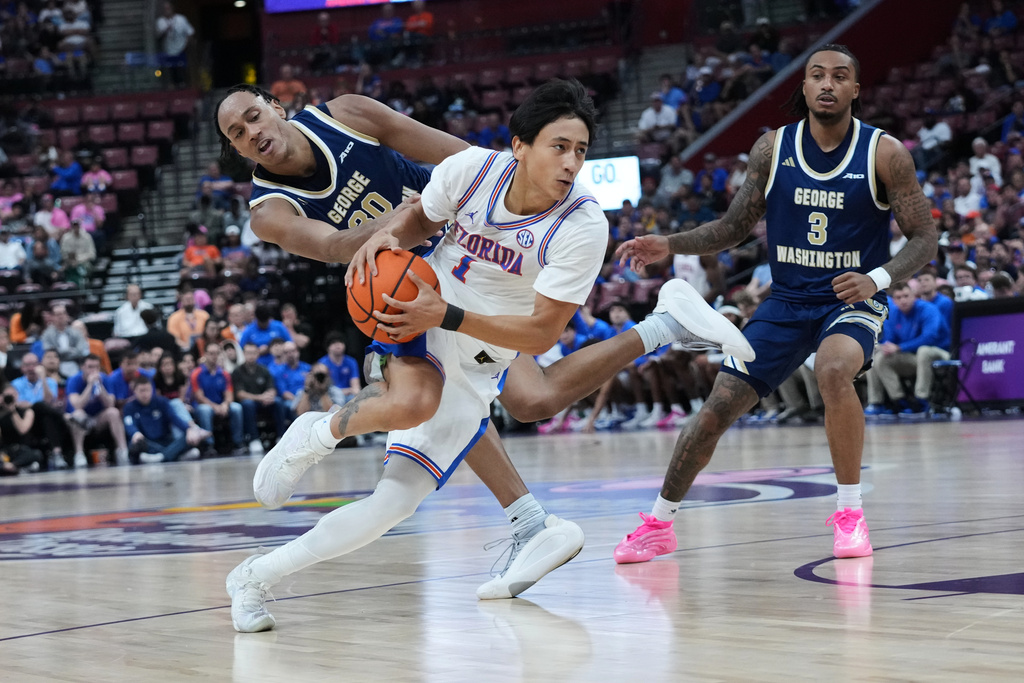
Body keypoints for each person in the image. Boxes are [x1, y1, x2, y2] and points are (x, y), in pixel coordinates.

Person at [215, 81, 751, 628]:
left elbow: (536, 323)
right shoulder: (270, 209)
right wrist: (400, 227)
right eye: (238, 131)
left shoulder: (576, 220)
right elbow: (336, 244)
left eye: (579, 150)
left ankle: (256, 575)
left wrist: (445, 200)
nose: (570, 162)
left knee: (479, 438)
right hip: (412, 281)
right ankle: (320, 432)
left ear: (276, 107)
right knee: (418, 401)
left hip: (475, 310)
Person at [613, 45, 937, 563]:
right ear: (804, 87)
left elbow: (925, 238)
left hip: (846, 301)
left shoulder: (884, 154)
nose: (827, 83)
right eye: (816, 75)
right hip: (786, 302)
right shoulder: (772, 149)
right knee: (716, 409)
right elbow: (733, 228)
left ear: (856, 89)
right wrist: (668, 243)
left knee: (834, 370)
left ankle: (850, 514)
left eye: (840, 76)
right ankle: (658, 524)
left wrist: (876, 279)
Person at [864, 282, 950, 417]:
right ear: (894, 300)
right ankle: (894, 401)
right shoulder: (892, 314)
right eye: (898, 297)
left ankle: (923, 400)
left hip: (941, 354)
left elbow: (930, 337)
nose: (903, 300)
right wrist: (884, 347)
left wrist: (899, 347)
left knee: (924, 351)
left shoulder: (928, 309)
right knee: (877, 356)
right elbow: (890, 340)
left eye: (906, 296)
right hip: (914, 357)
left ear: (914, 296)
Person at [66, 354, 129, 467]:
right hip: (83, 419)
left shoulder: (105, 379)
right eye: (90, 367)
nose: (93, 370)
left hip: (99, 419)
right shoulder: (74, 380)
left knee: (113, 412)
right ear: (83, 368)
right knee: (78, 414)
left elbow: (110, 403)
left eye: (96, 367)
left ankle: (122, 451)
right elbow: (77, 405)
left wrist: (100, 387)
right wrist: (90, 385)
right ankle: (79, 454)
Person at [123, 376, 201, 464]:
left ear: (152, 390)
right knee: (135, 445)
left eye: (147, 390)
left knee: (188, 438)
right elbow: (129, 424)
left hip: (165, 441)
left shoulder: (162, 402)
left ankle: (161, 458)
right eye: (141, 391)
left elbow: (174, 418)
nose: (145, 394)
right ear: (135, 391)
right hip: (147, 442)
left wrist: (188, 429)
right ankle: (174, 455)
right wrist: (135, 433)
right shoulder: (129, 407)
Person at [190, 342, 245, 456]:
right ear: (205, 354)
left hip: (221, 404)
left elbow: (229, 394)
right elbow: (199, 396)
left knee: (236, 408)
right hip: (204, 405)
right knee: (205, 410)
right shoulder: (197, 373)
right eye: (211, 353)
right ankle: (209, 445)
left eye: (216, 353)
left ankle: (238, 443)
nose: (214, 356)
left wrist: (225, 404)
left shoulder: (224, 373)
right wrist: (215, 407)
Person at [232, 342, 282, 453]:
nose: (251, 356)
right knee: (247, 404)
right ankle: (254, 439)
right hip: (252, 402)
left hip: (264, 402)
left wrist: (270, 395)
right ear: (244, 354)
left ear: (258, 354)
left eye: (254, 353)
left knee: (278, 402)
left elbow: (272, 388)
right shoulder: (237, 371)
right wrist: (260, 397)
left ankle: (281, 436)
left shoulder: (264, 369)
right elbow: (240, 394)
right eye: (248, 353)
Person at [41, 304, 90, 378]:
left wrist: (61, 352)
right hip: (55, 368)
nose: (61, 317)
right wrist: (70, 351)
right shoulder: (47, 334)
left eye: (63, 313)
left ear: (67, 315)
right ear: (53, 317)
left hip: (76, 364)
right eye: (57, 314)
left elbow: (80, 351)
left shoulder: (76, 332)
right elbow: (48, 350)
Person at [155, 1, 193, 86]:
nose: (167, 10)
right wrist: (166, 30)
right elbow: (158, 36)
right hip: (168, 49)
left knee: (182, 68)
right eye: (165, 9)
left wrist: (186, 45)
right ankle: (173, 85)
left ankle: (184, 84)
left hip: (181, 48)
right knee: (171, 69)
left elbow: (190, 32)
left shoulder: (181, 19)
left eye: (168, 8)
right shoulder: (160, 21)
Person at [318, 331, 361, 402]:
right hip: (331, 397)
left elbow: (356, 387)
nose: (338, 345)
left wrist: (353, 391)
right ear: (328, 347)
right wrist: (345, 391)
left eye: (341, 342)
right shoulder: (322, 363)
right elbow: (323, 389)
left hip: (349, 396)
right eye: (334, 343)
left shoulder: (351, 362)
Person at [167, 287, 210, 352]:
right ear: (181, 301)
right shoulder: (174, 317)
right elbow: (174, 337)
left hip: (204, 347)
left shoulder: (204, 315)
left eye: (190, 298)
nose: (189, 301)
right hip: (184, 349)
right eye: (186, 299)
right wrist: (187, 346)